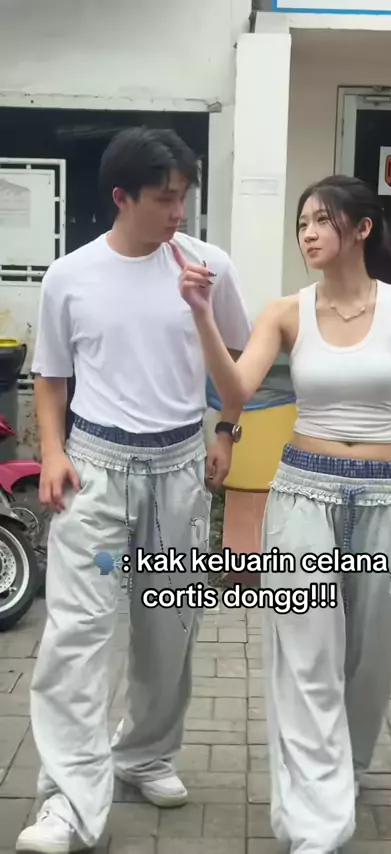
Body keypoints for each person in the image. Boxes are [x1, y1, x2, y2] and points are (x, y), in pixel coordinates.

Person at [174, 175, 391, 854]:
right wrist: (202, 314)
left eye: (322, 220)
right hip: (303, 497)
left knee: (371, 664)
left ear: (362, 228)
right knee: (306, 659)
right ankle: (317, 820)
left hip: (386, 499)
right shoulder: (287, 312)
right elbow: (236, 388)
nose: (309, 234)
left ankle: (341, 773)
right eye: (302, 224)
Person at [16, 127, 252, 853]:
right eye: (164, 199)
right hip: (95, 467)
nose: (179, 212)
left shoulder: (209, 267)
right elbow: (51, 377)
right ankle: (67, 799)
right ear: (122, 197)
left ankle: (145, 754)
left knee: (168, 630)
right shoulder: (69, 276)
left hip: (179, 467)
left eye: (184, 197)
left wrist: (225, 433)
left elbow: (238, 366)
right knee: (76, 636)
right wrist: (51, 452)